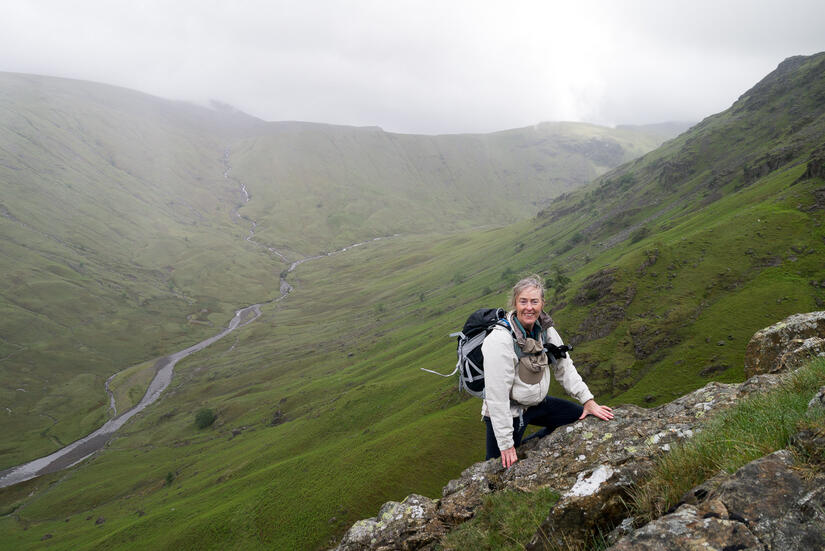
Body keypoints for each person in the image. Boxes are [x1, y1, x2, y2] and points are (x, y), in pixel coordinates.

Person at [482, 274, 613, 468]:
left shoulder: (545, 330)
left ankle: (528, 447)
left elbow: (564, 367)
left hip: (537, 403)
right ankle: (515, 449)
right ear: (515, 303)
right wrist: (506, 443)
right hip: (509, 411)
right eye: (523, 301)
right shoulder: (500, 340)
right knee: (496, 469)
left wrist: (588, 400)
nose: (529, 307)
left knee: (579, 417)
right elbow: (497, 395)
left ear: (542, 303)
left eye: (534, 301)